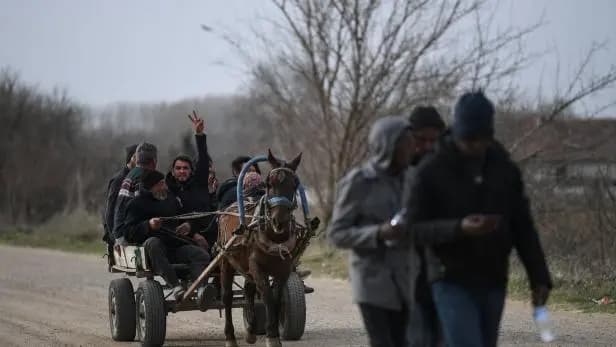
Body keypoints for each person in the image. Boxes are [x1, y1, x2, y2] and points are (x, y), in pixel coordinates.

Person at [406, 91, 552, 347]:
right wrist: (458, 228)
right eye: (468, 140)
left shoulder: (504, 169)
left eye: (480, 139)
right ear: (456, 133)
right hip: (448, 277)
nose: (474, 146)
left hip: (493, 276)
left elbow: (522, 225)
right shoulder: (431, 170)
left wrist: (538, 275)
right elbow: (413, 229)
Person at [115, 169, 211, 300]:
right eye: (161, 184)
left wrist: (189, 227)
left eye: (164, 183)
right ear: (151, 187)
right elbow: (128, 232)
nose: (165, 186)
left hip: (174, 247)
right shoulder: (135, 204)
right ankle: (175, 286)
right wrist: (148, 225)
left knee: (201, 255)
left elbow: (183, 217)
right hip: (151, 252)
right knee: (153, 242)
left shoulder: (171, 199)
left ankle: (201, 289)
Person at [406, 106, 446, 347]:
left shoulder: (449, 169)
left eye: (435, 140)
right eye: (422, 139)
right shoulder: (396, 169)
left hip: (444, 271)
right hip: (406, 274)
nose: (428, 146)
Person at [165, 111, 214, 247]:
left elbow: (203, 160)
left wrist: (199, 135)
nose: (182, 171)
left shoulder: (199, 183)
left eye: (185, 168)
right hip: (178, 238)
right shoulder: (166, 190)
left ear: (191, 171)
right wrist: (191, 232)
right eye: (178, 168)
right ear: (173, 171)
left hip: (206, 231)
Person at [102, 144, 137, 255]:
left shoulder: (138, 177)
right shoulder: (119, 180)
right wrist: (115, 238)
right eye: (138, 156)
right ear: (132, 158)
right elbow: (110, 211)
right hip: (119, 232)